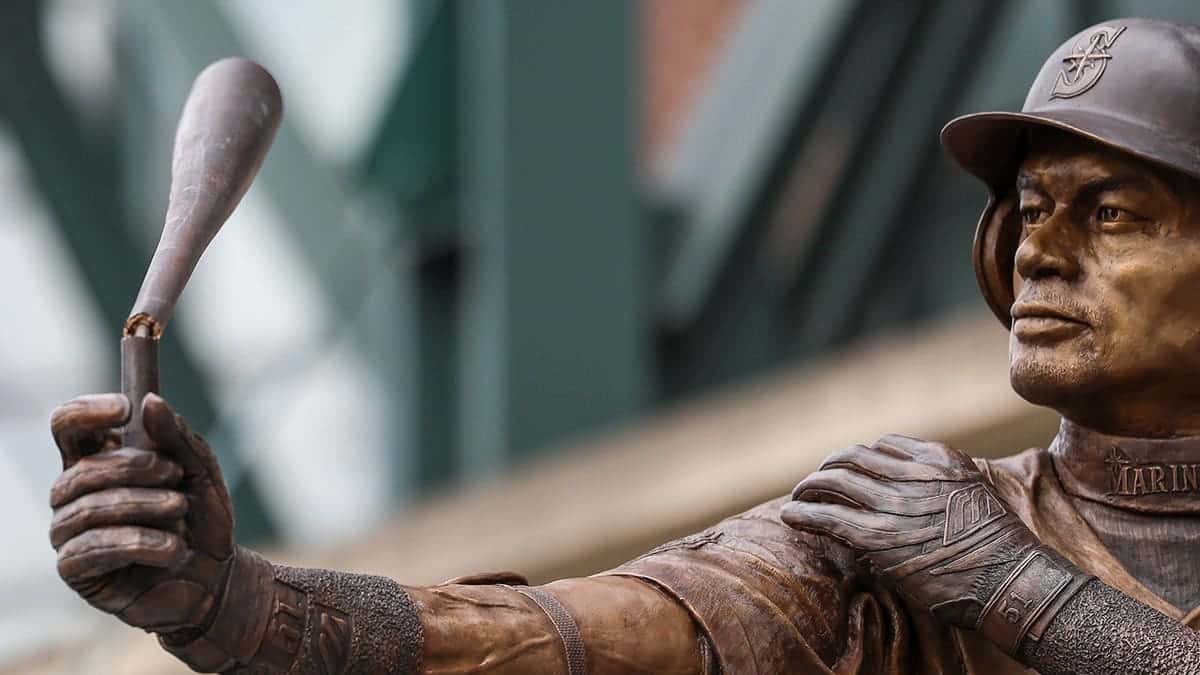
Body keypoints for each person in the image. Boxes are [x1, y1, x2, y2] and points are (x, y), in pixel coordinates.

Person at [45, 17, 1200, 675]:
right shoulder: (909, 527)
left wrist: (1013, 585)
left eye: (1109, 214)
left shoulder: (963, 546)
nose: (1041, 252)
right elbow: (557, 642)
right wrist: (236, 605)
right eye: (1030, 210)